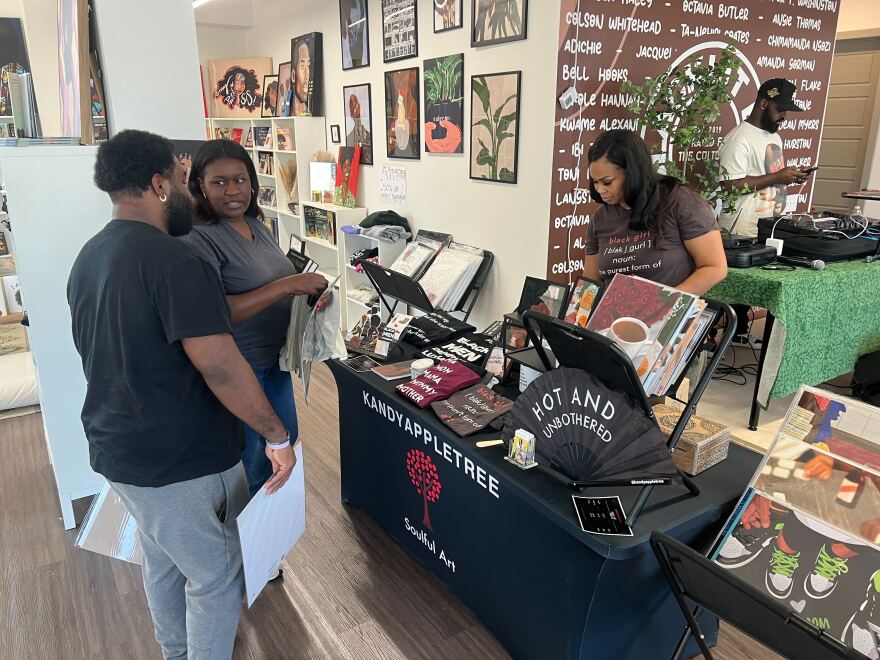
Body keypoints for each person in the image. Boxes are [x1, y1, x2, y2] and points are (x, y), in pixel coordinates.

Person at [67, 130, 297, 659]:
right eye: (180, 177)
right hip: (178, 459)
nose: (189, 192)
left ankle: (176, 651)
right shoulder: (177, 262)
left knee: (165, 559)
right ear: (157, 183)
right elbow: (220, 365)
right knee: (217, 574)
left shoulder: (90, 256)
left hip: (118, 450)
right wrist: (276, 435)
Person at [182, 139, 327, 497]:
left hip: (275, 362)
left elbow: (273, 282)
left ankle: (273, 544)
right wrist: (287, 286)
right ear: (200, 185)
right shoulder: (198, 238)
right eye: (219, 182)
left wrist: (308, 298)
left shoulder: (254, 225)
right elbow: (217, 313)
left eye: (241, 179)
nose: (233, 191)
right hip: (243, 371)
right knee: (259, 467)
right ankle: (254, 548)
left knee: (284, 453)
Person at [584, 129, 727, 295]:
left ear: (633, 172)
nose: (600, 189)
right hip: (616, 318)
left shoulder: (679, 202)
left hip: (671, 313)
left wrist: (663, 304)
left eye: (607, 182)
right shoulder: (600, 219)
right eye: (595, 182)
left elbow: (715, 267)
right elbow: (590, 284)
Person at [718, 78, 812, 237]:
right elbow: (729, 185)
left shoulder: (774, 137)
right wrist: (777, 177)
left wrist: (792, 175)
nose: (784, 115)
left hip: (769, 226)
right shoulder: (739, 139)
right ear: (763, 104)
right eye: (780, 109)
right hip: (741, 230)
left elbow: (769, 173)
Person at [345, 92, 372, 163]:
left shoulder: (369, 133)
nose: (354, 106)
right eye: (350, 104)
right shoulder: (349, 138)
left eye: (355, 102)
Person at [293, 39, 312, 116]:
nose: (307, 74)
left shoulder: (309, 111)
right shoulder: (292, 109)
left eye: (309, 65)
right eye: (302, 66)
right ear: (293, 74)